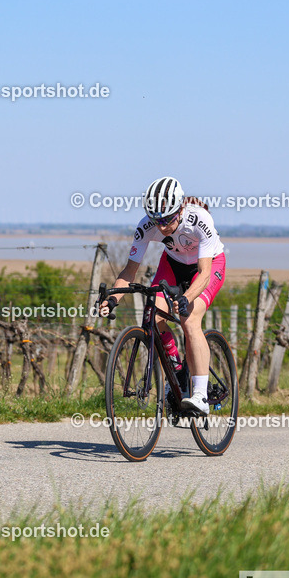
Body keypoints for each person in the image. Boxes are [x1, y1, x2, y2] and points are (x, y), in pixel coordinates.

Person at [101, 176, 226, 415]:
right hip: (173, 264)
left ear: (180, 209)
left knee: (189, 319)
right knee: (153, 315)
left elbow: (204, 272)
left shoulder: (199, 220)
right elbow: (129, 271)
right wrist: (113, 298)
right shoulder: (146, 226)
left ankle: (200, 395)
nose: (161, 226)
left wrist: (186, 298)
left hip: (208, 267)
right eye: (156, 220)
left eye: (167, 219)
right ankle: (177, 371)